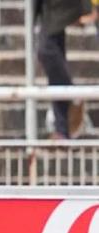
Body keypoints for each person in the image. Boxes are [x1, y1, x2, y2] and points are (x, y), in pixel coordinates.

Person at [35, 0, 94, 139]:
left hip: (58, 6)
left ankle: (72, 95)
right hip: (49, 8)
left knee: (47, 50)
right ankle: (62, 130)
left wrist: (88, 8)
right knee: (53, 62)